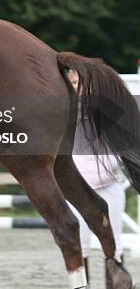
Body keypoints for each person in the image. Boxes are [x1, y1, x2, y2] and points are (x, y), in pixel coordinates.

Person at [65, 68, 128, 286]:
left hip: (109, 185)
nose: (76, 87)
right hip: (79, 189)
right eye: (72, 83)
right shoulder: (65, 112)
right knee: (79, 245)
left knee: (114, 245)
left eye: (78, 83)